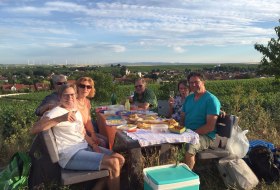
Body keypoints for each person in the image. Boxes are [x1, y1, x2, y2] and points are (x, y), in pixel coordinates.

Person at [31, 84, 125, 190]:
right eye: (66, 95)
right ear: (60, 97)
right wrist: (60, 119)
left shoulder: (75, 109)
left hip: (84, 148)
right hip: (69, 154)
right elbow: (34, 129)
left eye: (72, 95)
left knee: (120, 159)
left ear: (75, 95)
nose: (70, 98)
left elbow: (81, 132)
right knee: (113, 163)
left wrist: (93, 145)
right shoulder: (55, 112)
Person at [180, 72, 221, 170]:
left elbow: (209, 127)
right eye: (191, 83)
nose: (193, 85)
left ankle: (187, 177)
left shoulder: (211, 100)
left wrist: (191, 134)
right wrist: (178, 130)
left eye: (196, 82)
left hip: (205, 136)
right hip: (188, 132)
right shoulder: (189, 98)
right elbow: (182, 118)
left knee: (190, 147)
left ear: (203, 82)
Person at [76, 77, 108, 148]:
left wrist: (93, 134)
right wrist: (90, 139)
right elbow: (77, 127)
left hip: (86, 131)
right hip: (78, 133)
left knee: (106, 139)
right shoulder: (73, 102)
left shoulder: (87, 102)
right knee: (102, 142)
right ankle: (102, 157)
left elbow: (88, 120)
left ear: (91, 89)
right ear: (77, 87)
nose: (85, 89)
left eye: (88, 87)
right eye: (82, 86)